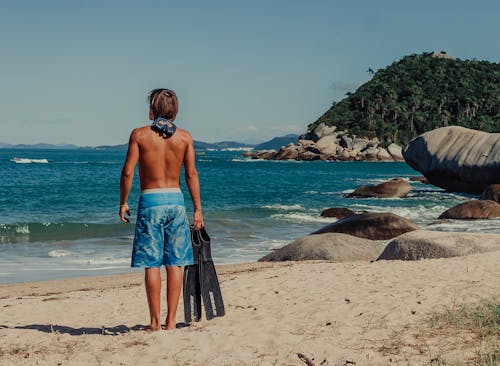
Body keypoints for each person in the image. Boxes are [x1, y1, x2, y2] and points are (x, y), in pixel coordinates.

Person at [119, 88, 204, 331]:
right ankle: (171, 322)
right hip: (176, 202)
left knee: (152, 264)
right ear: (175, 110)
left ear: (152, 109)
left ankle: (155, 322)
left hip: (150, 202)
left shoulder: (139, 135)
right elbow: (191, 174)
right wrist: (198, 209)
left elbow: (127, 172)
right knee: (175, 263)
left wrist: (123, 201)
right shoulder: (185, 138)